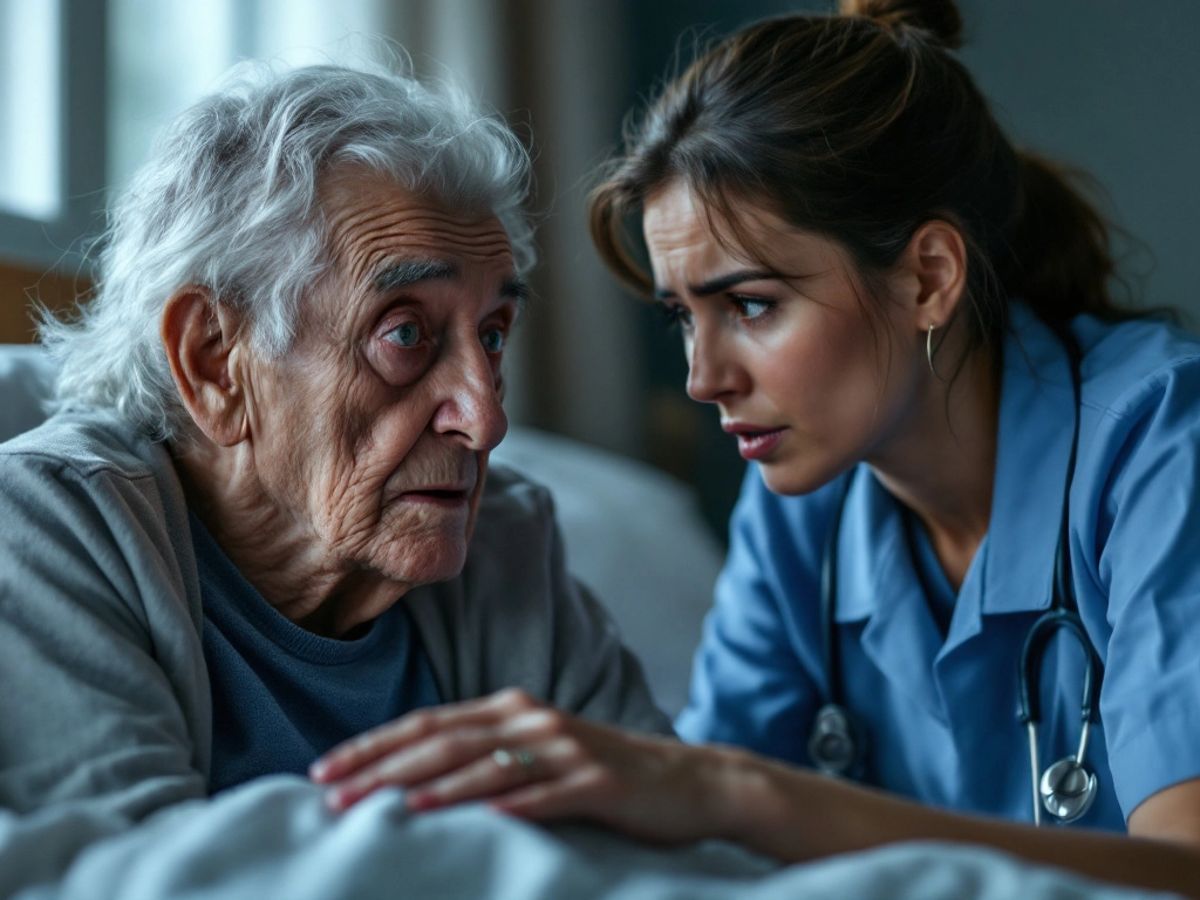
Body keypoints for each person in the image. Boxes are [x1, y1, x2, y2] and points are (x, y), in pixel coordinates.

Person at [307, 2, 1200, 895]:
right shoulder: (800, 503)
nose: (703, 379)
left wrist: (742, 793)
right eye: (682, 317)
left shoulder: (1164, 444)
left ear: (928, 276)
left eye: (753, 305)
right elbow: (699, 852)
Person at [0, 61, 668, 822]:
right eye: (405, 333)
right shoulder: (44, 528)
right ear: (215, 360)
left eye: (492, 335)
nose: (485, 422)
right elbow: (122, 869)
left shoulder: (505, 548)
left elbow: (674, 836)